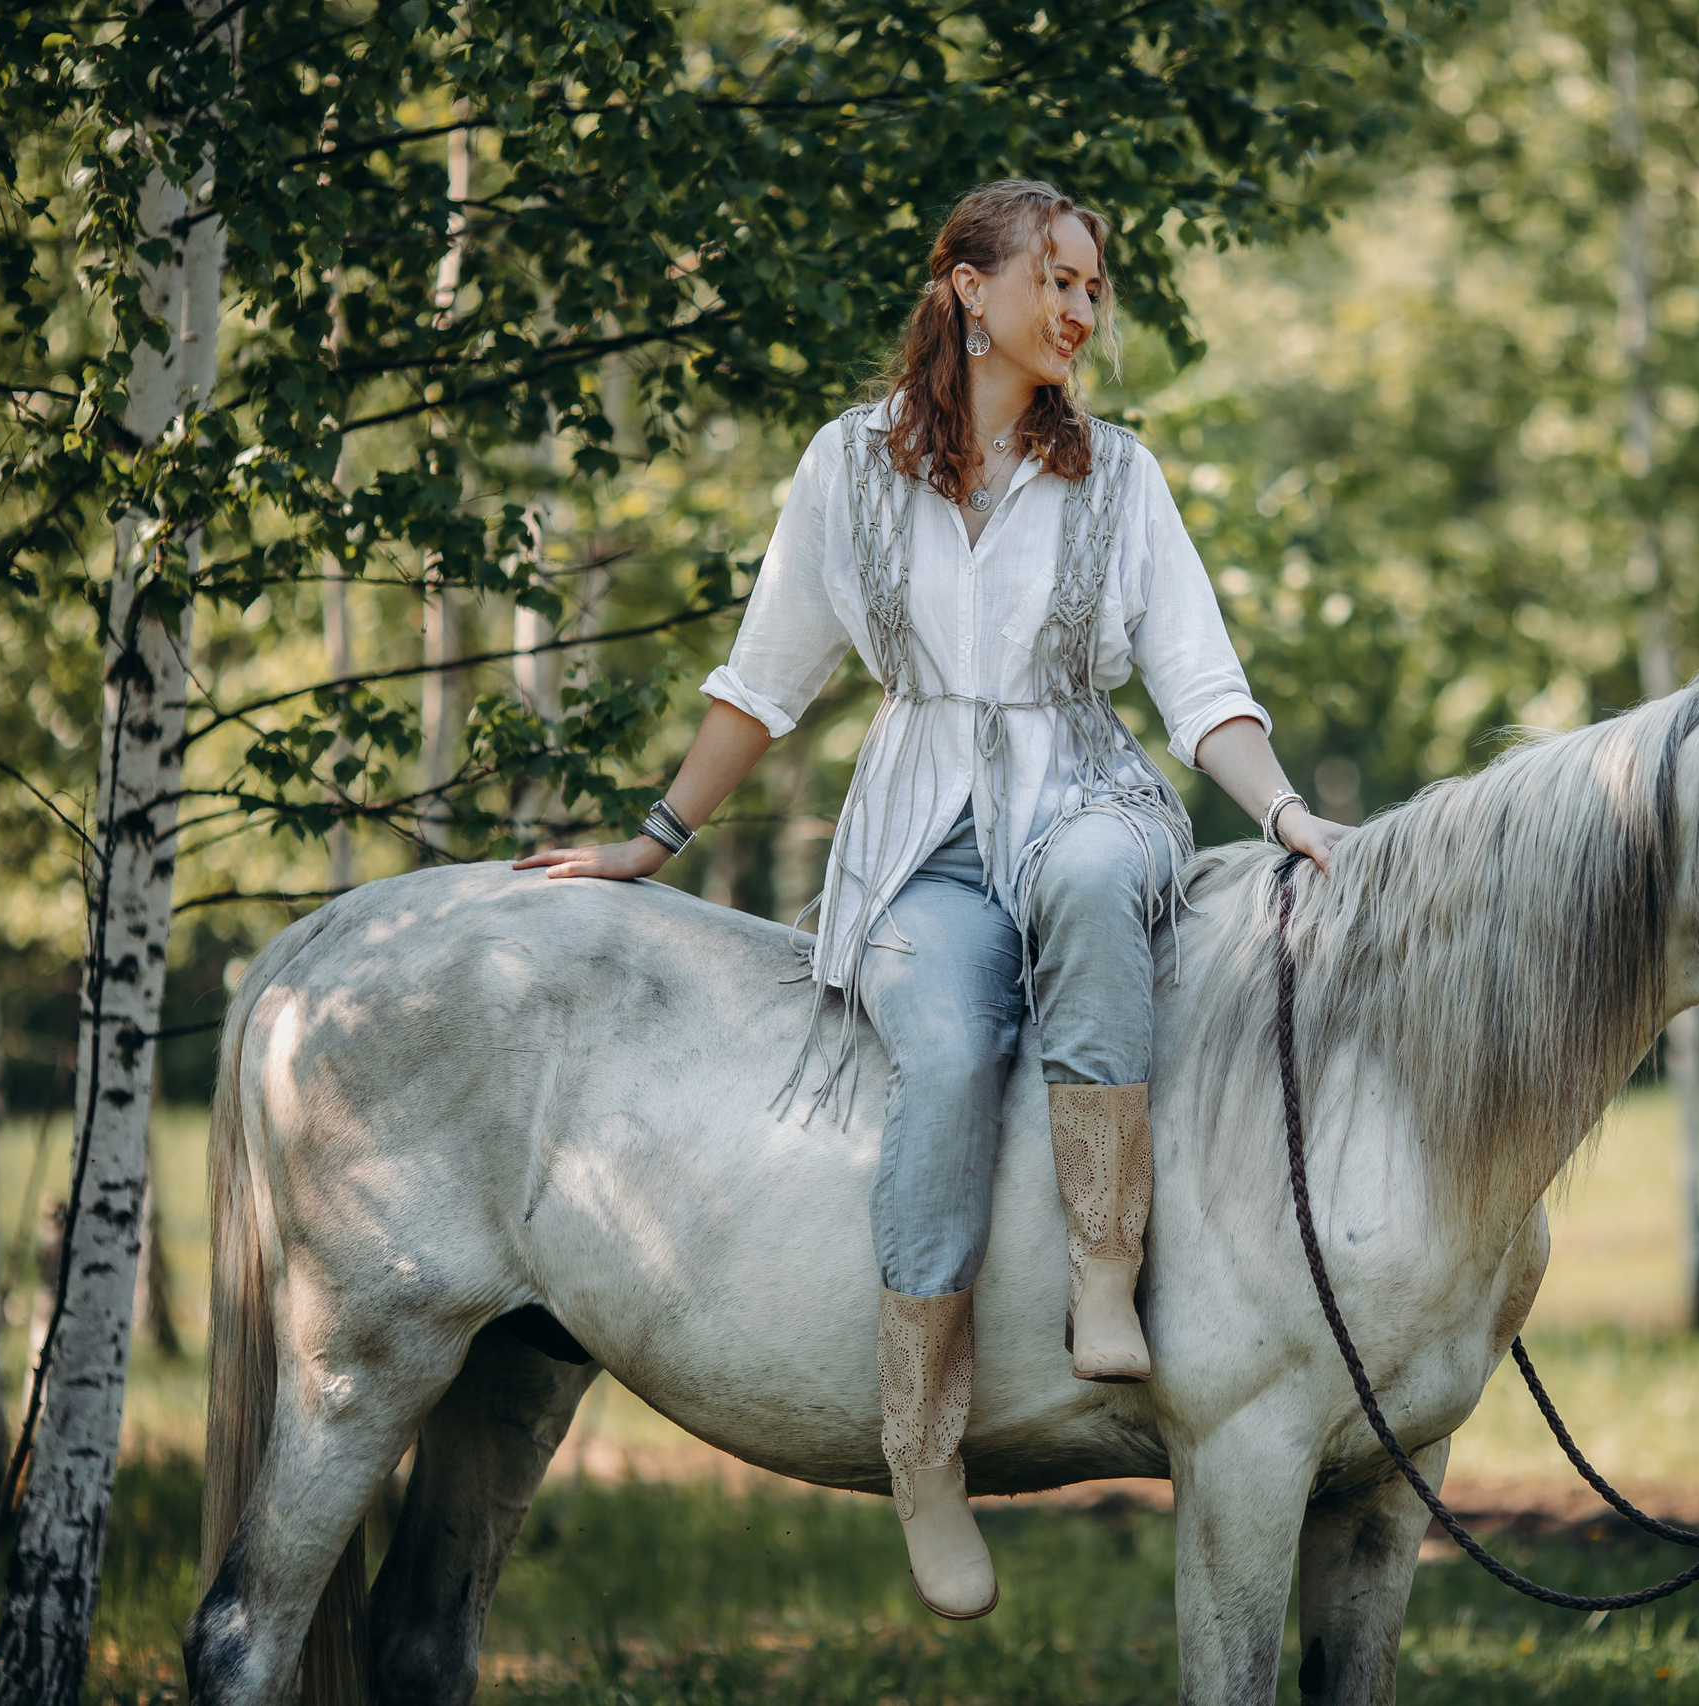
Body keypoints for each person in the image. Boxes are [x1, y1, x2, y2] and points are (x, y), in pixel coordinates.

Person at [515, 178, 1348, 1620]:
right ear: (971, 288)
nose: (1082, 311)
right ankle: (922, 1456)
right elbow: (761, 683)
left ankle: (1106, 1269)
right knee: (950, 1057)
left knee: (1094, 881)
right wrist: (652, 839)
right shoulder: (847, 468)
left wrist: (1281, 812)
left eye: (1096, 288)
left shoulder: (1122, 476)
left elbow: (1204, 687)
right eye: (1059, 280)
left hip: (1091, 795)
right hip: (925, 843)